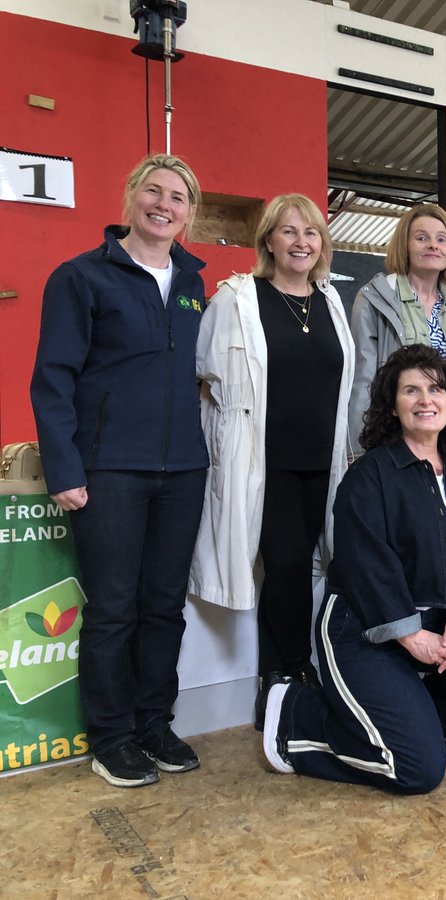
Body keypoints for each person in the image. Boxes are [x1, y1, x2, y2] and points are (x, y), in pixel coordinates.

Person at [261, 345, 446, 792]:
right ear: (393, 405)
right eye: (411, 390)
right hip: (366, 629)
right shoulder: (369, 476)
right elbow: (366, 569)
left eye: (435, 388)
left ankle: (441, 728)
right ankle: (298, 718)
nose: (425, 400)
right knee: (418, 771)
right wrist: (413, 637)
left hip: (438, 620)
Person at [30, 154, 208, 788]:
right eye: (154, 192)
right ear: (131, 197)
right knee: (113, 609)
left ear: (189, 212)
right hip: (107, 471)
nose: (165, 204)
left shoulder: (193, 282)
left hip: (183, 471)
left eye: (179, 197)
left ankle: (154, 722)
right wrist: (64, 467)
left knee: (164, 607)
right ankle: (111, 736)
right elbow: (52, 380)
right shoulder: (81, 278)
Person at [189, 194, 354, 731]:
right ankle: (281, 677)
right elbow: (201, 377)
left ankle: (291, 673)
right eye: (288, 232)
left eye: (310, 232)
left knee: (306, 566)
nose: (301, 242)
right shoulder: (238, 300)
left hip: (320, 463)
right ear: (268, 242)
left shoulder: (330, 303)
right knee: (283, 567)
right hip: (266, 461)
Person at [348, 203, 446, 456]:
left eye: (441, 239)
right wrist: (358, 449)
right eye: (421, 238)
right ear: (404, 245)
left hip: (443, 440)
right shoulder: (375, 299)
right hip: (389, 437)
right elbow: (362, 379)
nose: (433, 246)